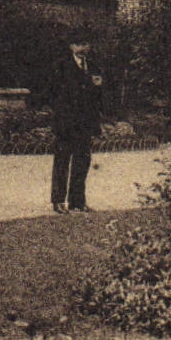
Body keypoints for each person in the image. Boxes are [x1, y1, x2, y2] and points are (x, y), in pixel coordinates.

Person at [47, 34, 104, 213]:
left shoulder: (94, 67)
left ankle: (77, 201)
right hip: (66, 122)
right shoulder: (61, 66)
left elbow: (98, 97)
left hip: (85, 123)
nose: (82, 48)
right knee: (62, 161)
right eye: (78, 44)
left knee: (82, 162)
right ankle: (58, 201)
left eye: (85, 43)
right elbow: (54, 93)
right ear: (71, 46)